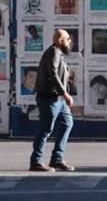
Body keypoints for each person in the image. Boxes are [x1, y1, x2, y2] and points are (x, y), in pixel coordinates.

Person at [30, 28, 75, 172]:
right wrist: (65, 93)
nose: (70, 42)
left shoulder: (58, 53)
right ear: (61, 41)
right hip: (49, 98)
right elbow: (53, 73)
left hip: (58, 99)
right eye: (68, 39)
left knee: (67, 123)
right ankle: (36, 161)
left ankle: (57, 159)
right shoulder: (54, 52)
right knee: (46, 129)